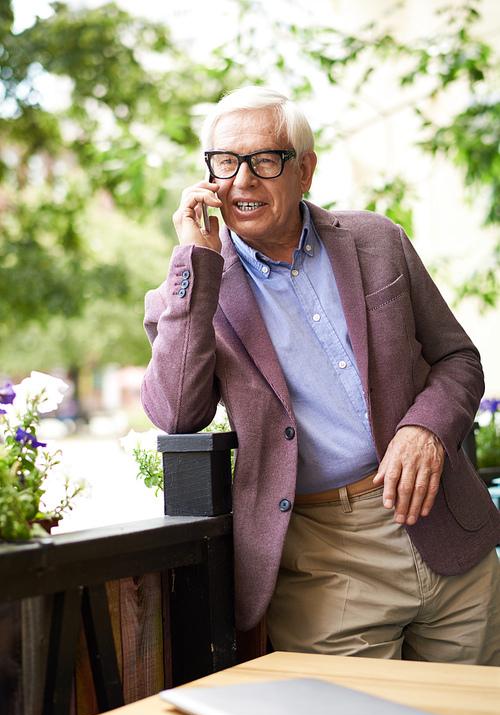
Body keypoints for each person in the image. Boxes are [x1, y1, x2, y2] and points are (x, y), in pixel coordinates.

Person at [141, 86, 500, 664]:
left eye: (266, 160)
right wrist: (196, 264)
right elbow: (178, 412)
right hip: (324, 560)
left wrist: (426, 429)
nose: (243, 180)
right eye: (225, 162)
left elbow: (459, 358)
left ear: (304, 170)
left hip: (446, 531)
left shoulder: (377, 240)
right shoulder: (191, 291)